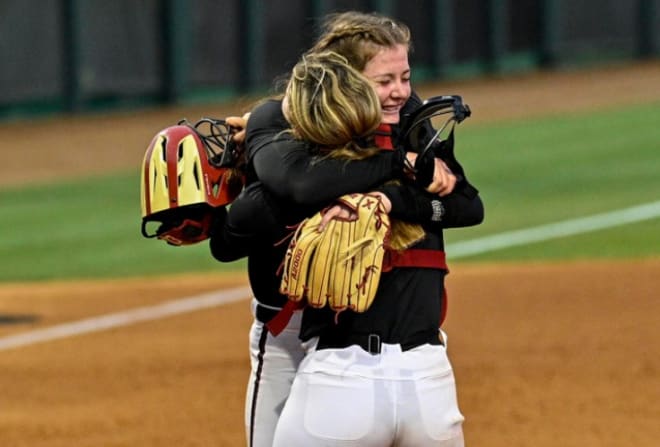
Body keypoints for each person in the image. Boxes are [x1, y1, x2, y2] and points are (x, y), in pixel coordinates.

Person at [212, 11, 481, 446]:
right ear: (348, 80)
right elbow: (294, 187)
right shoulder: (277, 120)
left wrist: (390, 197)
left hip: (351, 337)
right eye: (384, 80)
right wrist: (397, 169)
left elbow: (466, 203)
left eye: (405, 77)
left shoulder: (406, 119)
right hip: (289, 324)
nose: (399, 92)